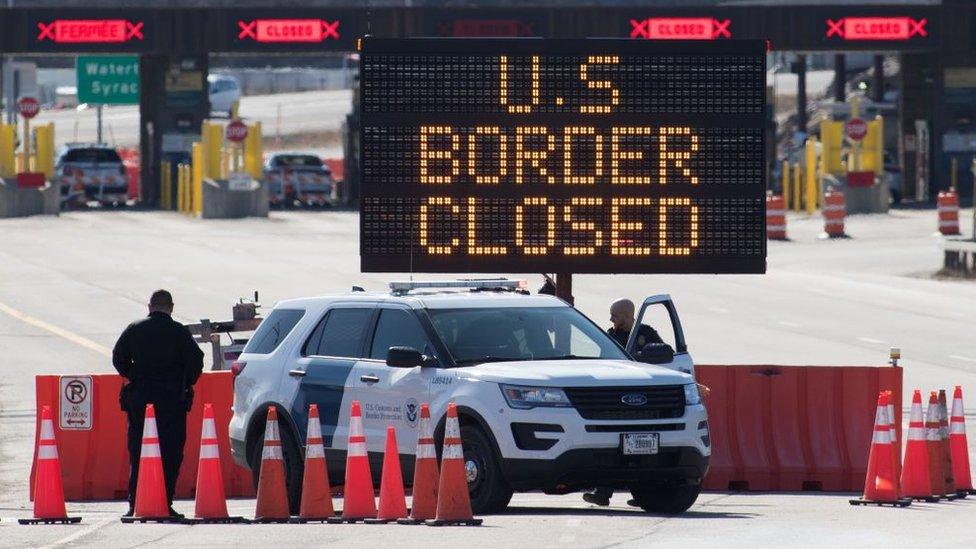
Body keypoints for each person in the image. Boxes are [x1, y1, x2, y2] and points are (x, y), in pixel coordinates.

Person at [113, 290, 204, 518]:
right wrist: (184, 380)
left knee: (138, 450)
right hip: (171, 400)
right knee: (170, 451)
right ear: (171, 308)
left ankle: (136, 504)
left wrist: (134, 374)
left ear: (150, 306)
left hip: (140, 398)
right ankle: (164, 502)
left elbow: (118, 357)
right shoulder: (179, 332)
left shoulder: (135, 329)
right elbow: (196, 361)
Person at [583, 298, 664, 507]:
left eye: (615, 315)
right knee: (610, 449)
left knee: (644, 453)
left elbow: (666, 355)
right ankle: (602, 493)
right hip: (618, 402)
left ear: (628, 316)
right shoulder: (611, 337)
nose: (611, 319)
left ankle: (644, 496)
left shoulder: (646, 334)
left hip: (644, 404)